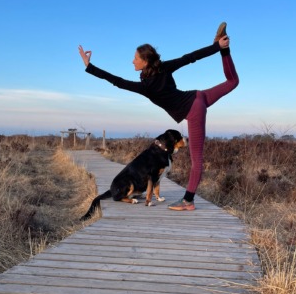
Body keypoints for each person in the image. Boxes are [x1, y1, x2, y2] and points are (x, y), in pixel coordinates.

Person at [78, 22, 239, 211]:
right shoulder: (163, 68)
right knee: (233, 81)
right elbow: (190, 58)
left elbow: (118, 82)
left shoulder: (147, 86)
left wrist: (90, 67)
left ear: (144, 61)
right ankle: (225, 50)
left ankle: (188, 201)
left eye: (135, 58)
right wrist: (217, 47)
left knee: (197, 159)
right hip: (199, 96)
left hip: (194, 109)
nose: (132, 61)